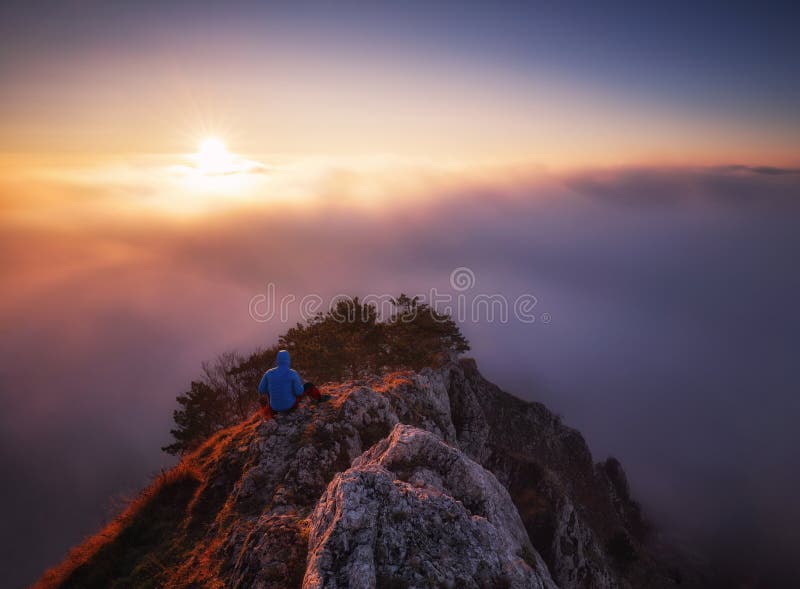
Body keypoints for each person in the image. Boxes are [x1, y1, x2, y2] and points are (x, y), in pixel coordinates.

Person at [257, 349, 321, 419]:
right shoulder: (292, 373)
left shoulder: (268, 373)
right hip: (290, 407)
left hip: (274, 408)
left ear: (277, 360)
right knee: (309, 385)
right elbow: (298, 392)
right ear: (288, 360)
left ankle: (272, 411)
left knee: (270, 391)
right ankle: (320, 399)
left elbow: (261, 389)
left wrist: (272, 388)